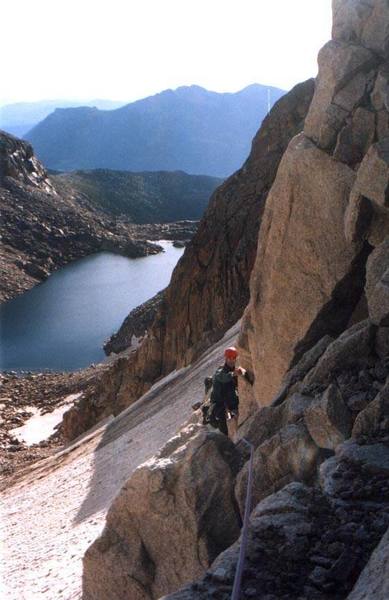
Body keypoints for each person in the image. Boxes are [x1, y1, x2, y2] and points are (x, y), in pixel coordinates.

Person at [208, 346, 249, 439]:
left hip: (231, 403)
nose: (232, 360)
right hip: (219, 407)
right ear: (226, 358)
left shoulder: (234, 370)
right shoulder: (220, 372)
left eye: (234, 358)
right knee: (224, 432)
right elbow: (223, 377)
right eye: (230, 358)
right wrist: (234, 373)